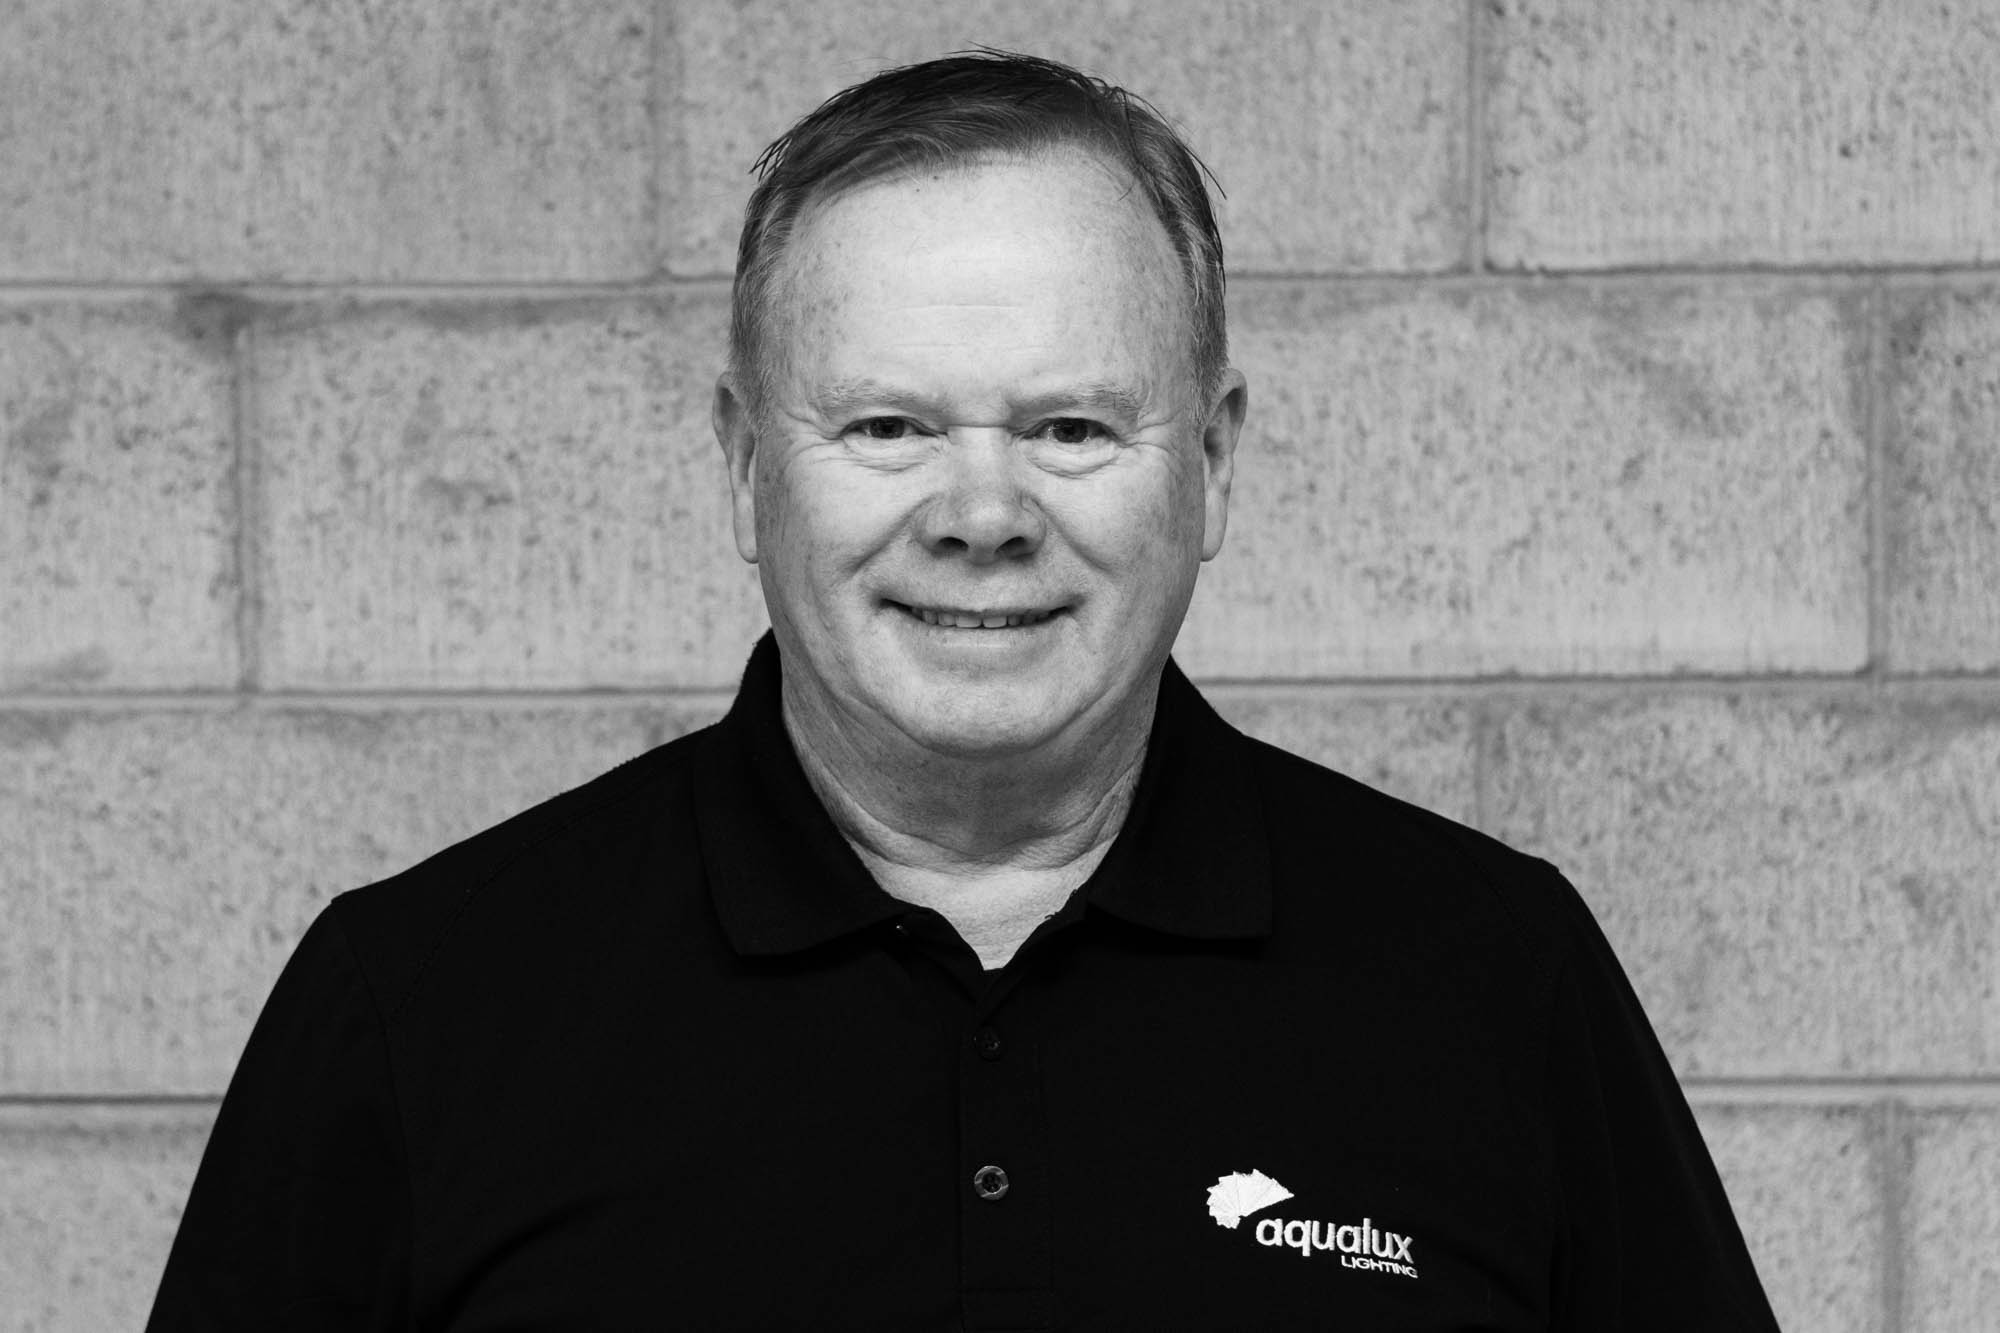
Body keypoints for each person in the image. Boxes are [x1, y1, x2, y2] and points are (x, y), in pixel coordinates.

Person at [147, 51, 1781, 1331]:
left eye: (1071, 426)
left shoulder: (1492, 979)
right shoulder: (422, 1007)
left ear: (1211, 467)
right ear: (745, 468)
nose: (983, 512)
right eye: (888, 427)